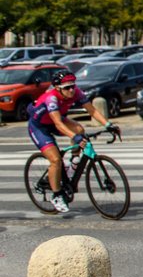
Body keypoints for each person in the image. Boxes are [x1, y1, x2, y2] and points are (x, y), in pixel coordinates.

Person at [26, 70, 115, 214]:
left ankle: (74, 162)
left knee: (79, 129)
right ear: (57, 88)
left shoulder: (76, 92)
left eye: (73, 86)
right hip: (39, 127)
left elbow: (92, 111)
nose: (72, 90)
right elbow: (58, 124)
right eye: (67, 87)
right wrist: (75, 138)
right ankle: (56, 195)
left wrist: (108, 125)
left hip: (57, 121)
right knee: (55, 160)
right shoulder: (51, 99)